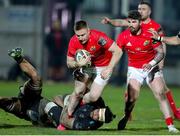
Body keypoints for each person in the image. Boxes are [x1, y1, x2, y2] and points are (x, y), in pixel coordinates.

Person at [0, 47, 115, 130]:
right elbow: (58, 97)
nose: (96, 115)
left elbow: (64, 121)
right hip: (35, 99)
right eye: (99, 112)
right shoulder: (96, 103)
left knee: (5, 102)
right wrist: (85, 81)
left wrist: (65, 106)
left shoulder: (87, 124)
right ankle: (19, 57)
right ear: (101, 108)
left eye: (99, 118)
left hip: (33, 111)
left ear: (100, 121)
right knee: (36, 78)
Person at [101, 1, 180, 120]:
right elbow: (121, 22)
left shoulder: (155, 26)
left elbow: (162, 42)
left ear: (149, 12)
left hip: (152, 61)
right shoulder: (135, 22)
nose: (140, 11)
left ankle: (175, 112)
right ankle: (128, 113)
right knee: (131, 89)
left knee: (162, 89)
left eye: (143, 9)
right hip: (136, 62)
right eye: (139, 8)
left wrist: (160, 61)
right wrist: (110, 22)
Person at [116, 10, 179, 133]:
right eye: (129, 22)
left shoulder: (151, 34)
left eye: (134, 22)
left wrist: (151, 64)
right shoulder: (123, 36)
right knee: (132, 98)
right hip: (134, 69)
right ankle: (127, 114)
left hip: (151, 67)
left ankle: (170, 126)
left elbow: (160, 53)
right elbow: (116, 52)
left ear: (140, 22)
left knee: (160, 93)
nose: (131, 24)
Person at [66, 20, 122, 117]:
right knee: (78, 91)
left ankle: (80, 104)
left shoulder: (99, 37)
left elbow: (118, 51)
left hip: (103, 67)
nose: (80, 38)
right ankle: (67, 117)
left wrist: (109, 68)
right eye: (78, 35)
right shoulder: (73, 40)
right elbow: (69, 63)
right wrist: (78, 63)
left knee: (94, 96)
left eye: (83, 35)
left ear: (88, 31)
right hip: (86, 67)